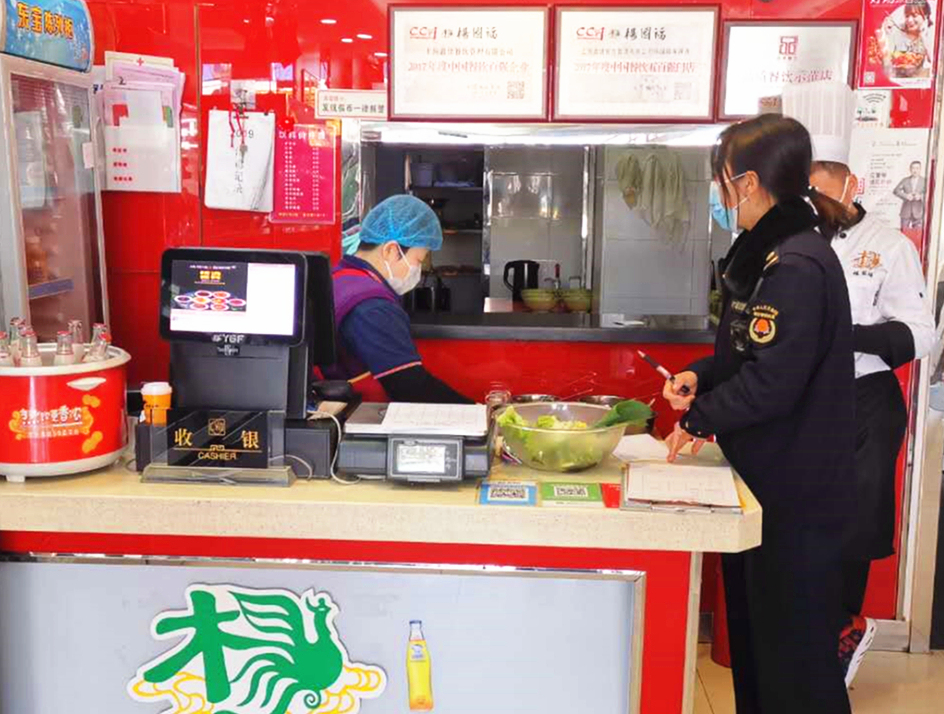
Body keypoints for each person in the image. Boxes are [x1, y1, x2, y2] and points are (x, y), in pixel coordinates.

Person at [663, 114, 857, 714]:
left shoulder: (794, 266)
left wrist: (697, 419)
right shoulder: (770, 254)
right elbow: (749, 351)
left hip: (796, 495)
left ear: (747, 183)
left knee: (795, 662)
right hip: (768, 482)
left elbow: (772, 383)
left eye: (722, 182)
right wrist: (703, 375)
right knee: (760, 650)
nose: (720, 197)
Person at [810, 160, 934, 682]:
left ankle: (846, 627)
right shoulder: (794, 243)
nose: (817, 203)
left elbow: (921, 334)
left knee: (853, 523)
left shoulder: (888, 247)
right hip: (805, 402)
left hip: (864, 399)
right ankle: (805, 637)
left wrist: (847, 335)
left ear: (852, 187)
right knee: (802, 520)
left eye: (824, 192)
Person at [323, 195, 471, 404]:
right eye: (418, 260)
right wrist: (477, 412)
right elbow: (410, 387)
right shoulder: (372, 307)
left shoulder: (340, 275)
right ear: (391, 250)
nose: (418, 271)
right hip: (349, 412)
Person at [894, 161, 926, 231]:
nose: (915, 170)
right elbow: (896, 190)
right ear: (910, 169)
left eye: (917, 168)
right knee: (903, 233)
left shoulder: (925, 181)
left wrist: (921, 196)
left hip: (919, 212)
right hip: (906, 211)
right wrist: (905, 196)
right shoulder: (905, 180)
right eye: (913, 168)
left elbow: (930, 193)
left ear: (920, 169)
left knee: (918, 234)